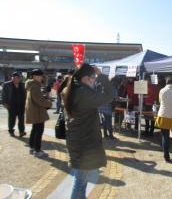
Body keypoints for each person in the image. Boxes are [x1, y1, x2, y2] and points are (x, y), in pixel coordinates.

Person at [62, 63, 113, 199]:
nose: (94, 80)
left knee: (81, 181)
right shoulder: (83, 92)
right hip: (83, 143)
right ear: (86, 78)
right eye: (93, 77)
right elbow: (110, 95)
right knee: (80, 182)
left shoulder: (73, 89)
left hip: (78, 140)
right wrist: (102, 76)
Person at [25, 69, 52, 158]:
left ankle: (32, 148)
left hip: (34, 111)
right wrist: (49, 103)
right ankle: (37, 150)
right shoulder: (35, 86)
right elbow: (39, 100)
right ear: (34, 76)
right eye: (39, 76)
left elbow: (36, 98)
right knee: (38, 131)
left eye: (41, 76)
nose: (41, 77)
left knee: (35, 130)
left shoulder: (31, 85)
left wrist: (43, 97)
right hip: (37, 112)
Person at [2, 72, 26, 137]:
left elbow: (26, 94)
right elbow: (3, 95)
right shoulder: (6, 84)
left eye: (18, 78)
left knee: (21, 119)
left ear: (20, 78)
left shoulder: (23, 84)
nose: (16, 79)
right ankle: (11, 131)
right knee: (12, 119)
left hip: (21, 105)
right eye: (14, 78)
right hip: (11, 105)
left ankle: (21, 132)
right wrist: (4, 103)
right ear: (12, 78)